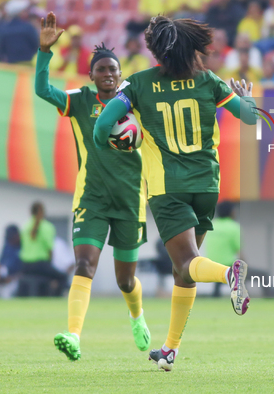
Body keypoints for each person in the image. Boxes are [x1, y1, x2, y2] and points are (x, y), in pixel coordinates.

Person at [94, 15, 258, 371]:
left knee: (186, 263)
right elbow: (249, 117)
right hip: (206, 185)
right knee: (185, 270)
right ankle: (169, 349)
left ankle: (230, 275)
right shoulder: (208, 80)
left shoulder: (137, 84)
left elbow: (102, 127)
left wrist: (117, 143)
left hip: (169, 189)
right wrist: (247, 98)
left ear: (155, 50)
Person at [34, 12, 149, 362]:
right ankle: (74, 335)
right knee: (84, 265)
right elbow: (41, 89)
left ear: (120, 74)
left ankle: (137, 316)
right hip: (92, 199)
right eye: (102, 70)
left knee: (125, 281)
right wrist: (45, 52)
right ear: (92, 75)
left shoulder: (135, 103)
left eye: (114, 69)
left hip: (130, 201)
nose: (109, 75)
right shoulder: (80, 101)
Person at [18, 202, 67, 296]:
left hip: (25, 266)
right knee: (62, 277)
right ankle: (55, 298)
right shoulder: (47, 227)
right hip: (40, 265)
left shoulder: (25, 226)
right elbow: (50, 250)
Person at [205, 201, 242, 297]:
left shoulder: (211, 225)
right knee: (261, 275)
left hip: (211, 264)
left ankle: (216, 297)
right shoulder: (234, 227)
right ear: (232, 212)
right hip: (228, 265)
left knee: (219, 281)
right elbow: (239, 251)